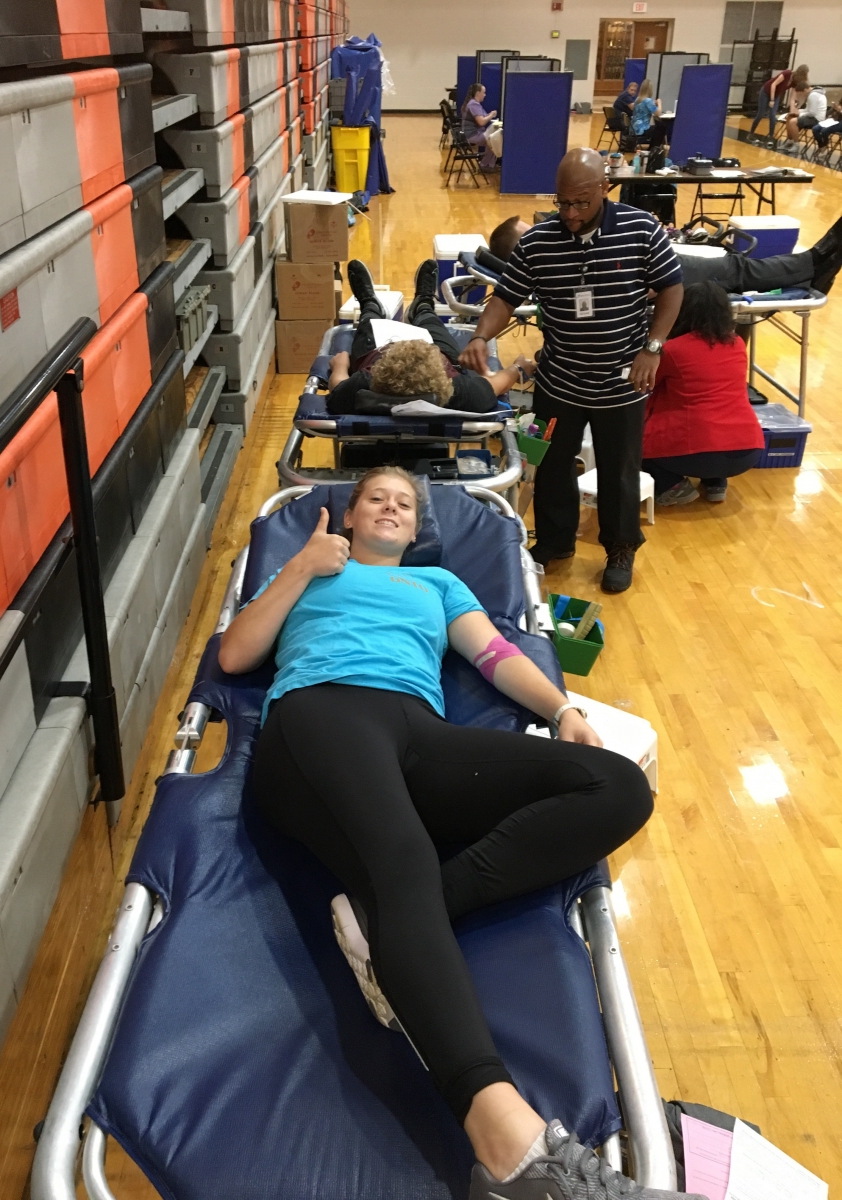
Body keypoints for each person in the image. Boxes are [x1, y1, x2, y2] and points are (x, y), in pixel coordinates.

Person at [220, 466, 705, 1200]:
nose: (390, 506)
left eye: (405, 503)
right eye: (375, 498)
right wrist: (300, 567)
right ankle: (506, 1144)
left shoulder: (437, 586)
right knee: (403, 854)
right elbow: (234, 655)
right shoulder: (313, 571)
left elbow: (494, 655)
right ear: (350, 516)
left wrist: (562, 709)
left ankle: (395, 918)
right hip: (322, 717)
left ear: (417, 529)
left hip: (418, 732)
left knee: (616, 786)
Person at [461, 148, 684, 594]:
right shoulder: (539, 243)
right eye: (562, 202)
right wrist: (480, 335)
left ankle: (620, 548)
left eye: (581, 202)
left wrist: (653, 348)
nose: (570, 213)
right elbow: (505, 299)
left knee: (620, 469)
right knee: (553, 465)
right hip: (559, 379)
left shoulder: (641, 230)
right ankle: (557, 541)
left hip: (622, 381)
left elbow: (672, 289)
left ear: (605, 188)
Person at [328, 259, 533, 414]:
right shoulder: (461, 392)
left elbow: (338, 386)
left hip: (375, 350)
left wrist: (340, 364)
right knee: (431, 323)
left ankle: (369, 305)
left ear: (376, 372)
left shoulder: (364, 384)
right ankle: (424, 305)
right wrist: (518, 367)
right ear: (446, 374)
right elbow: (499, 382)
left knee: (369, 324)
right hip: (433, 366)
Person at [489, 209, 842, 297]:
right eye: (528, 233)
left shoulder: (555, 248)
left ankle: (814, 265)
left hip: (650, 257)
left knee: (732, 266)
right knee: (736, 270)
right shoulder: (547, 266)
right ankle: (814, 263)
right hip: (655, 272)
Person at [642, 283, 765, 505]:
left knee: (631, 443)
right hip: (747, 450)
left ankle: (672, 485)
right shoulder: (737, 343)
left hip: (699, 450)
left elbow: (647, 385)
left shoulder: (673, 350)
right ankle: (716, 482)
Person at [750, 64, 809, 144]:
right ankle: (751, 134)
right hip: (766, 92)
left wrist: (793, 110)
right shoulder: (787, 73)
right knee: (761, 114)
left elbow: (792, 97)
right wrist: (771, 100)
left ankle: (771, 137)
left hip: (776, 95)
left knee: (772, 115)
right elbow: (773, 85)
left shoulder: (795, 82)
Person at [461, 82, 498, 171]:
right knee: (494, 140)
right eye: (483, 92)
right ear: (478, 93)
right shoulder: (473, 104)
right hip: (472, 135)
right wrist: (491, 115)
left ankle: (489, 165)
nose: (485, 95)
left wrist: (489, 116)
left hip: (474, 133)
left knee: (494, 139)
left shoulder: (474, 104)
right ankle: (485, 165)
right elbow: (481, 122)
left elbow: (483, 117)